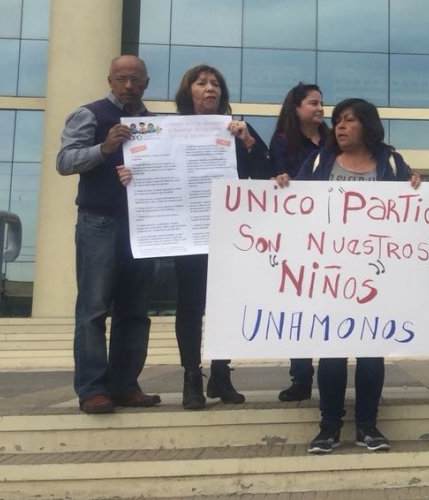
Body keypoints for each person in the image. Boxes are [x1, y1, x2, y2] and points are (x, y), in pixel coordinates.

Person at [119, 65, 273, 410]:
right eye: (201, 83)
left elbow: (266, 174)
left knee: (224, 304)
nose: (210, 88)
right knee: (190, 304)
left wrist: (248, 141)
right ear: (188, 92)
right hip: (188, 235)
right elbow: (148, 173)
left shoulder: (237, 128)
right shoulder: (164, 131)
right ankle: (192, 377)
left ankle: (221, 373)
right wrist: (131, 174)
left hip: (228, 232)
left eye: (215, 83)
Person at [289, 98, 422, 454]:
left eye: (349, 120)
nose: (341, 127)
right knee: (331, 352)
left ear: (368, 125)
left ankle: (367, 426)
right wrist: (284, 184)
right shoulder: (319, 162)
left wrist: (417, 188)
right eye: (337, 121)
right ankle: (328, 427)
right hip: (328, 273)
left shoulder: (391, 163)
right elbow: (294, 205)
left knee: (371, 351)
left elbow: (410, 209)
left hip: (376, 275)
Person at [56, 55, 160, 414]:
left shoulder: (154, 124)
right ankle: (93, 390)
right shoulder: (89, 115)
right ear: (110, 80)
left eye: (136, 79)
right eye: (121, 78)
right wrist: (104, 148)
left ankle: (125, 385)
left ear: (146, 83)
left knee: (135, 310)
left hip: (142, 226)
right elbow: (64, 162)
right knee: (94, 308)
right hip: (98, 222)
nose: (129, 85)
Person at [269, 83, 330, 403]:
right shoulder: (282, 142)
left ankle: (331, 375)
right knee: (300, 305)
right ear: (296, 108)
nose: (320, 108)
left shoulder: (333, 140)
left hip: (335, 235)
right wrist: (278, 179)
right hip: (298, 236)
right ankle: (301, 377)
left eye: (321, 103)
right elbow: (276, 178)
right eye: (313, 103)